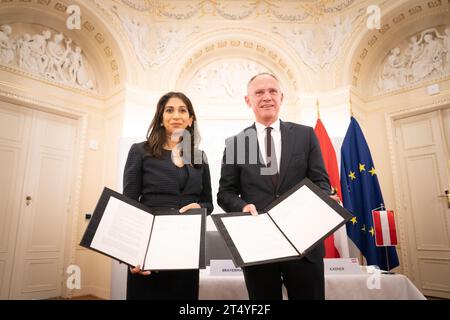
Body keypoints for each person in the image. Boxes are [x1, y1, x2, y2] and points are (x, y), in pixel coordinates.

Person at [217, 73, 333, 300]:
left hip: (304, 244)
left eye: (272, 91)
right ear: (248, 100)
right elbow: (225, 193)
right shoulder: (237, 143)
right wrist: (241, 207)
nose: (266, 97)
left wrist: (314, 201)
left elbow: (321, 182)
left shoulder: (305, 135)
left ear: (282, 97)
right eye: (259, 92)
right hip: (259, 246)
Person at [123, 91, 213, 300]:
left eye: (183, 110)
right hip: (149, 246)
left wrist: (201, 208)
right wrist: (131, 255)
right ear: (161, 118)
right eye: (169, 110)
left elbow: (208, 202)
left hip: (187, 245)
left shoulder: (200, 157)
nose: (176, 115)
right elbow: (129, 205)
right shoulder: (140, 151)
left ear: (190, 120)